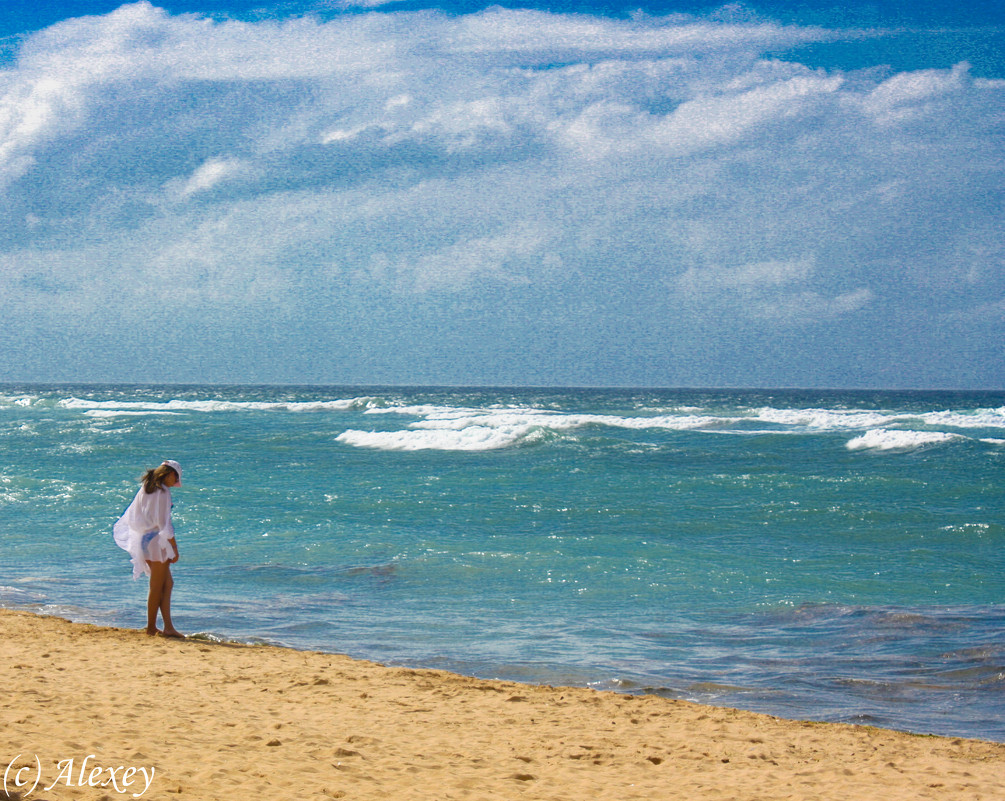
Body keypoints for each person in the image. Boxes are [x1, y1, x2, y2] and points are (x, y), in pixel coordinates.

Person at [113, 460, 185, 638]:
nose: (174, 483)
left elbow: (133, 516)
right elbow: (164, 524)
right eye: (175, 478)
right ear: (169, 473)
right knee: (157, 586)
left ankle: (167, 626)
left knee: (167, 584)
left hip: (144, 540)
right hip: (156, 542)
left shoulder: (147, 487)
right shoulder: (163, 492)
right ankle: (152, 627)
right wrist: (174, 548)